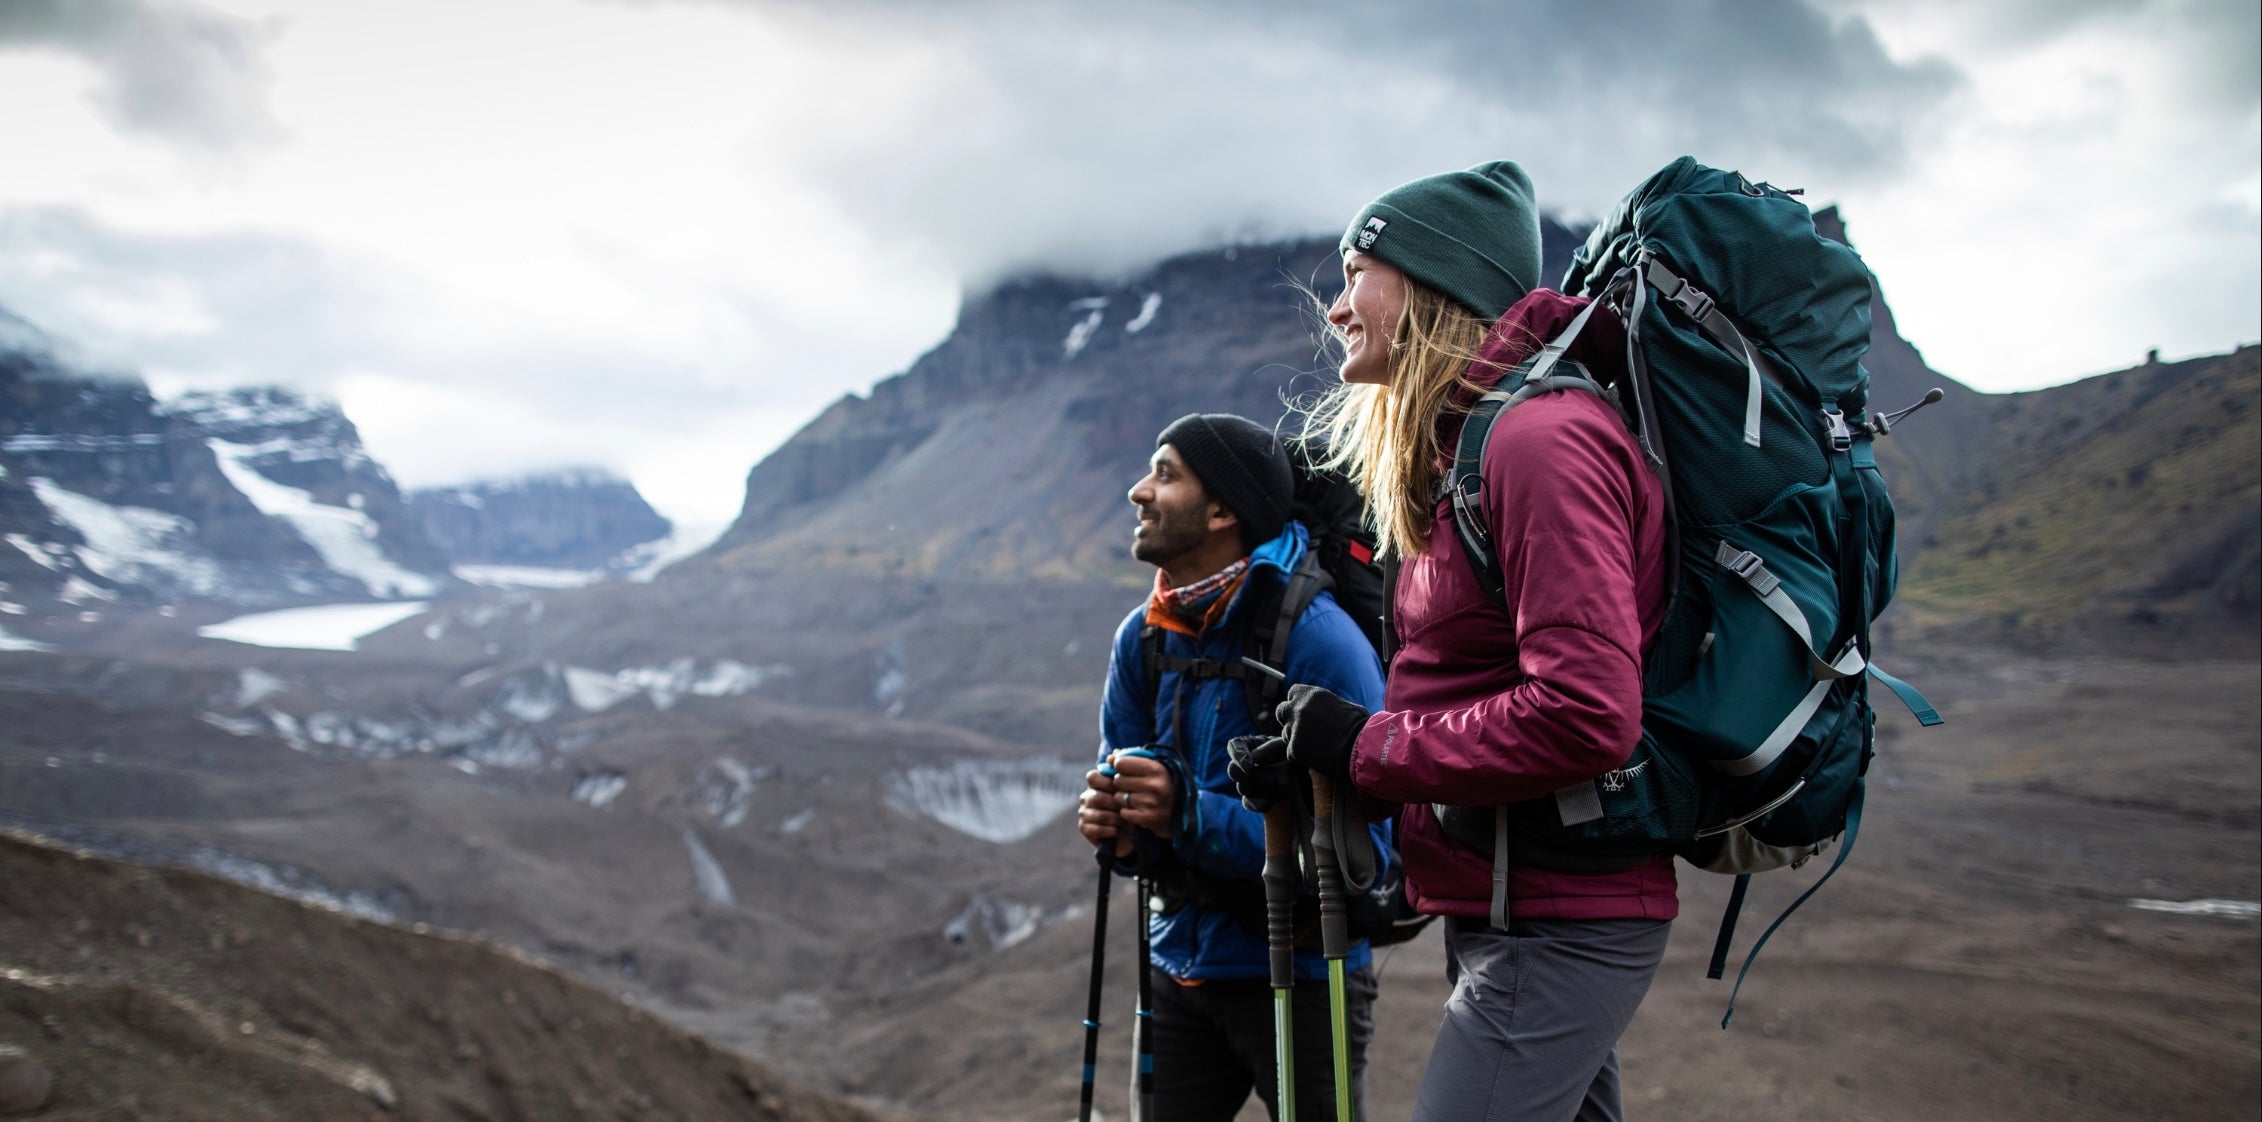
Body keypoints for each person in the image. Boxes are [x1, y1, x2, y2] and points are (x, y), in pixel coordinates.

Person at [1232, 161, 1675, 1121]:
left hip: (1558, 916)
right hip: (1510, 904)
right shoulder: (1471, 450)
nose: (1337, 308)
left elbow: (1586, 715)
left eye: (1359, 273)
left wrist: (1369, 747)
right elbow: (1477, 687)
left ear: (1439, 283)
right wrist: (1335, 765)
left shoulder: (1538, 444)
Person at [1077, 413, 1389, 1122]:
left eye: (1164, 474)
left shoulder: (1322, 642)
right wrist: (1119, 824)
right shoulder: (1144, 637)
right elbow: (1134, 812)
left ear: (1223, 509)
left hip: (1305, 976)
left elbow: (1364, 855)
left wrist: (1186, 811)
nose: (1138, 492)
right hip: (1176, 967)